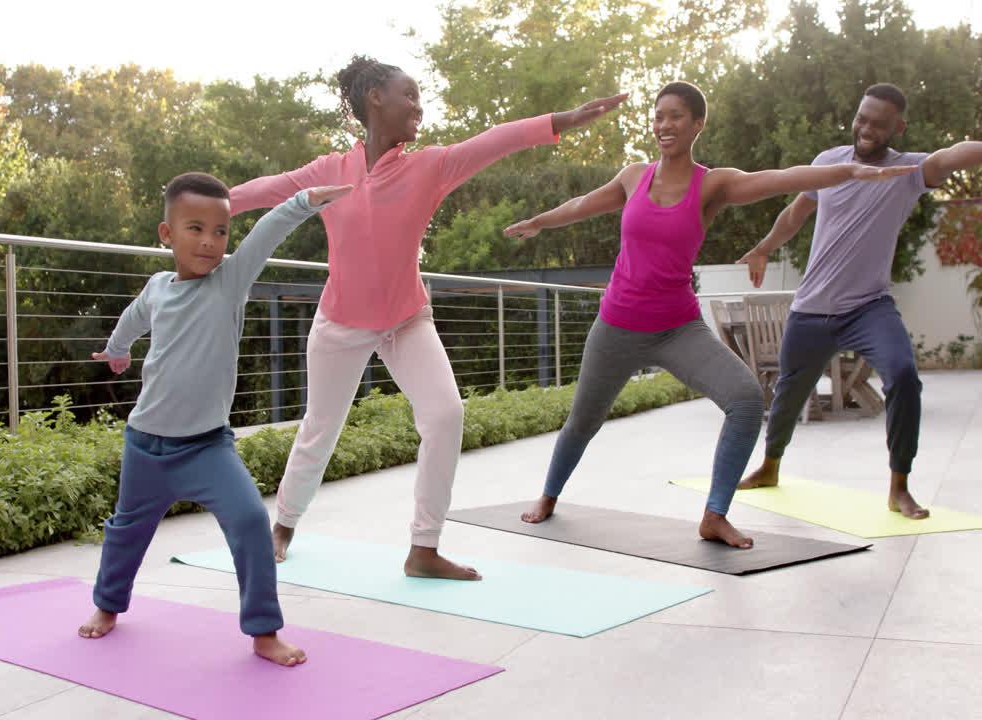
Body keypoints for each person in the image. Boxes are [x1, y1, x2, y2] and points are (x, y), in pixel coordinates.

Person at [228, 55, 628, 579]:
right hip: (341, 322)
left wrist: (562, 120)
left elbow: (494, 141)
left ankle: (424, 548)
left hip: (406, 320)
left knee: (445, 415)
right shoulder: (330, 170)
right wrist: (208, 207)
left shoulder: (430, 166)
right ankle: (283, 525)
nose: (419, 106)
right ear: (375, 99)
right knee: (320, 428)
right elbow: (267, 189)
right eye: (410, 95)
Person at [502, 82, 917, 548]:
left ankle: (715, 515)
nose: (665, 125)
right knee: (583, 422)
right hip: (617, 326)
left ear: (698, 124)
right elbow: (583, 204)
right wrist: (540, 221)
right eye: (659, 116)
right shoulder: (633, 176)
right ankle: (549, 495)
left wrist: (850, 171)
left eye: (676, 116)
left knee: (746, 400)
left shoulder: (713, 184)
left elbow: (781, 178)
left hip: (678, 329)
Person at [736, 82, 982, 518]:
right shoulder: (828, 162)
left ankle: (899, 487)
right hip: (811, 309)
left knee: (903, 376)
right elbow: (795, 212)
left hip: (869, 308)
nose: (866, 130)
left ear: (898, 128)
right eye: (862, 119)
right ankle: (770, 466)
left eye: (879, 124)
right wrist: (763, 248)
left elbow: (949, 156)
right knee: (789, 393)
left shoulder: (907, 171)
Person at [78, 172, 351, 666]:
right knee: (126, 530)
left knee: (249, 520)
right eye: (195, 228)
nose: (209, 241)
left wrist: (304, 202)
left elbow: (267, 232)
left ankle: (264, 632)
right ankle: (108, 606)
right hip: (146, 446)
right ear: (167, 234)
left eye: (220, 232)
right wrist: (117, 350)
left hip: (206, 448)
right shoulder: (157, 288)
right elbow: (133, 319)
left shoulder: (230, 281)